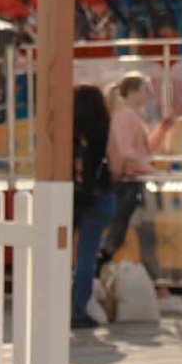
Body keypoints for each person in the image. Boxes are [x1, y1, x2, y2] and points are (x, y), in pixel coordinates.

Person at [99, 72, 162, 287]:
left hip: (132, 183)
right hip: (130, 184)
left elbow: (137, 149)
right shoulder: (126, 116)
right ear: (134, 91)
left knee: (137, 234)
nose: (149, 95)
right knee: (129, 234)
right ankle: (155, 283)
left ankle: (155, 282)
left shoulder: (126, 116)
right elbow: (127, 152)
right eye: (146, 90)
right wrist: (151, 171)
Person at [69, 83, 114, 329]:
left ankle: (52, 304)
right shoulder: (105, 129)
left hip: (70, 194)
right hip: (99, 193)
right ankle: (78, 310)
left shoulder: (67, 129)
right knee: (87, 256)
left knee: (59, 251)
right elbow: (116, 161)